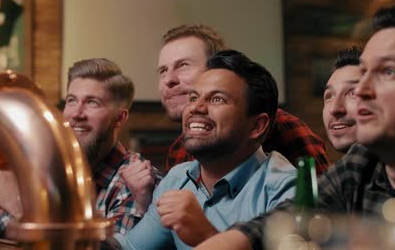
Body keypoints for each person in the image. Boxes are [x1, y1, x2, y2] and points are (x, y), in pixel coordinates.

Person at [195, 3, 395, 250]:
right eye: (365, 71)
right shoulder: (361, 163)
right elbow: (282, 222)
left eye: (388, 71)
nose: (364, 89)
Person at [107, 50, 297, 250]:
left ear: (257, 126)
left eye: (217, 99)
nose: (196, 108)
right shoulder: (177, 178)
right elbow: (132, 247)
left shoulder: (285, 188)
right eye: (193, 97)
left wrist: (205, 236)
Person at [158, 24, 330, 173]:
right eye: (163, 70)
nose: (168, 80)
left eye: (183, 65)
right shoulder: (178, 150)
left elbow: (324, 207)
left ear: (219, 68)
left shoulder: (283, 129)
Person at [63, 58, 160, 235]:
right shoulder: (57, 169)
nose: (76, 114)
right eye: (71, 100)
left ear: (120, 118)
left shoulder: (136, 183)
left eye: (92, 102)